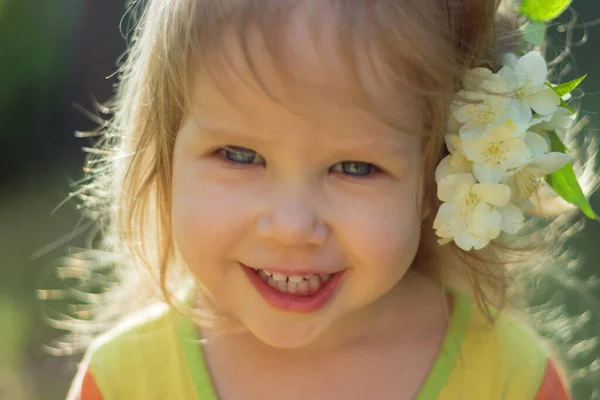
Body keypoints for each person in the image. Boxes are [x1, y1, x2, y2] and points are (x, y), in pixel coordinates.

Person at [62, 0, 594, 398]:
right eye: (240, 156)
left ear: (441, 176)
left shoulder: (509, 381)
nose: (292, 226)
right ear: (166, 152)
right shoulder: (123, 383)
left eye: (355, 168)